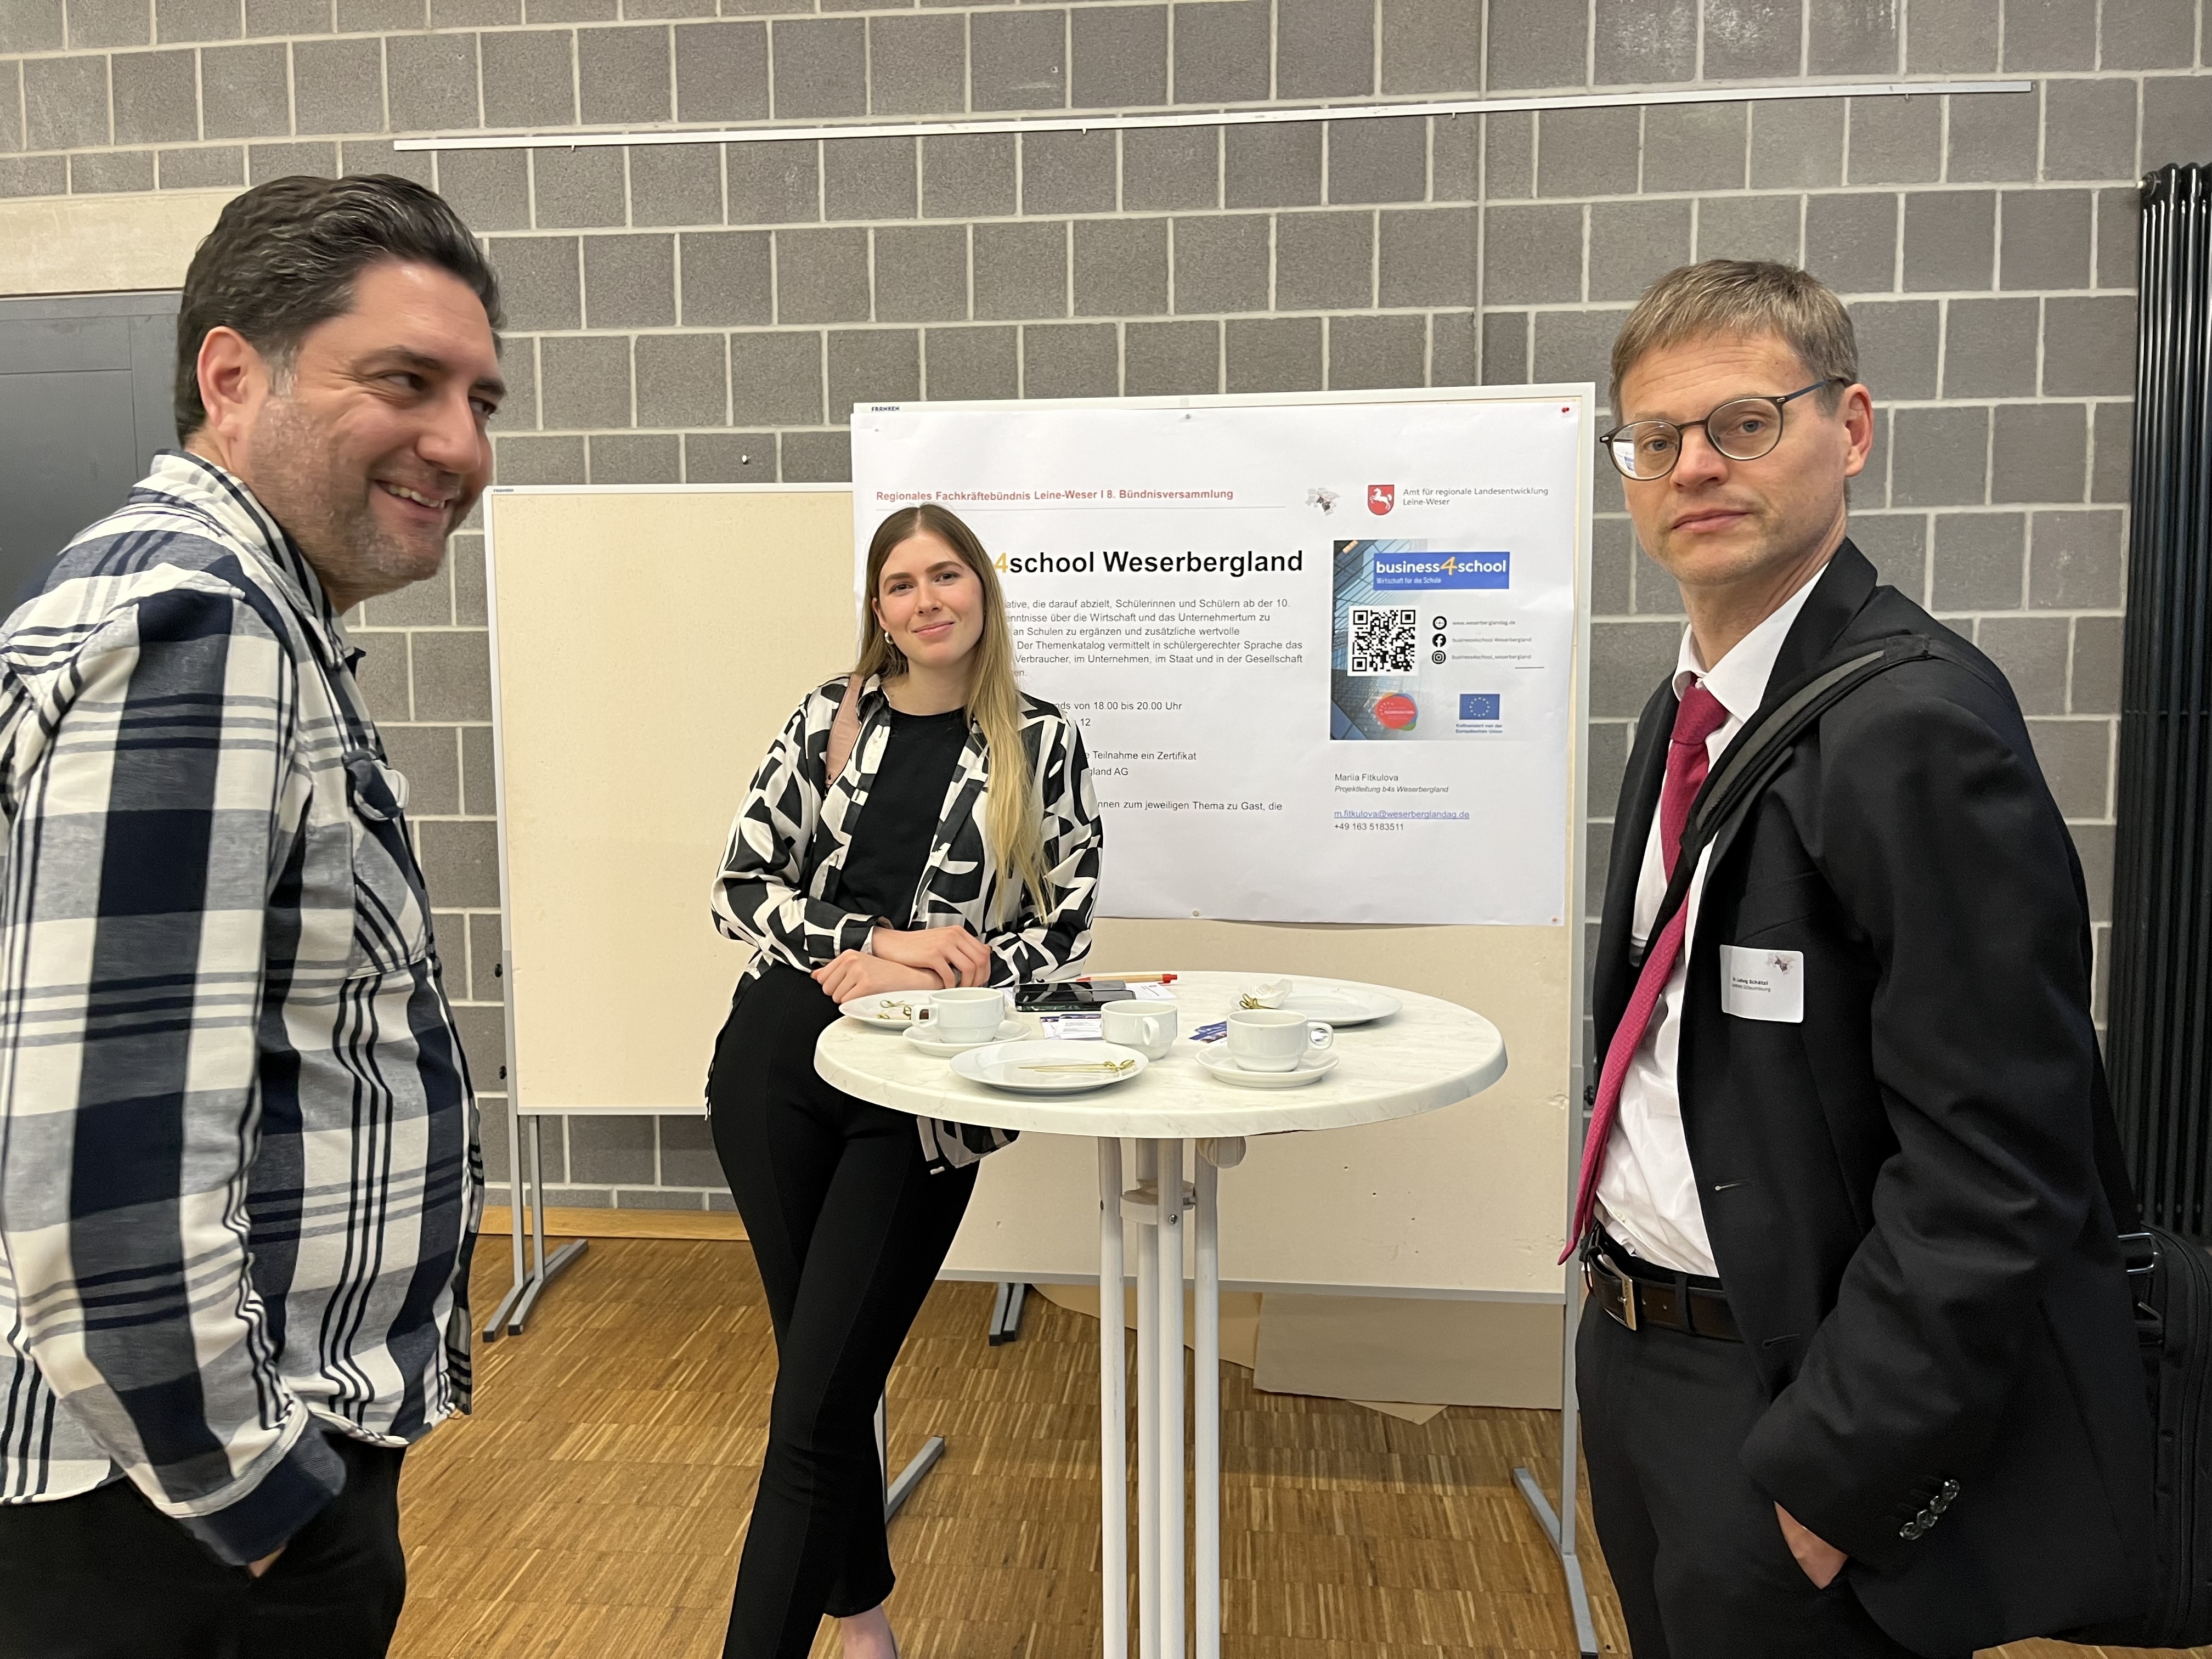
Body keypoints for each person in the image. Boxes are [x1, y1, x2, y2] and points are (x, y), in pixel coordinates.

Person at [1569, 259, 2154, 1659]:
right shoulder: (1686, 709)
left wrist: (1836, 1483)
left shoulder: (1916, 728)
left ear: (1854, 429)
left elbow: (2001, 1164)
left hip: (1791, 1405)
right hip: (1640, 1356)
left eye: (1745, 423)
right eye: (1656, 439)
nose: (1694, 466)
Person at [0, 175, 499, 1657]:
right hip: (174, 1528)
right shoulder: (201, 630)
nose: (461, 445)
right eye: (403, 382)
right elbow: (104, 1172)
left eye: (480, 399)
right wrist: (266, 1504)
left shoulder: (215, 608)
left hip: (167, 1502)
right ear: (232, 378)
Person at [706, 501, 1102, 1659]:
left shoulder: (1043, 741)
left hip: (923, 1101)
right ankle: (866, 1620)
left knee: (817, 1396)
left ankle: (842, 1623)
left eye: (946, 576)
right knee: (817, 1385)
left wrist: (936, 971)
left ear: (982, 587)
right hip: (777, 1067)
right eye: (900, 585)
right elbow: (740, 886)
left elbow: (1065, 929)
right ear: (879, 610)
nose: (926, 601)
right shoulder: (828, 718)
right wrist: (877, 943)